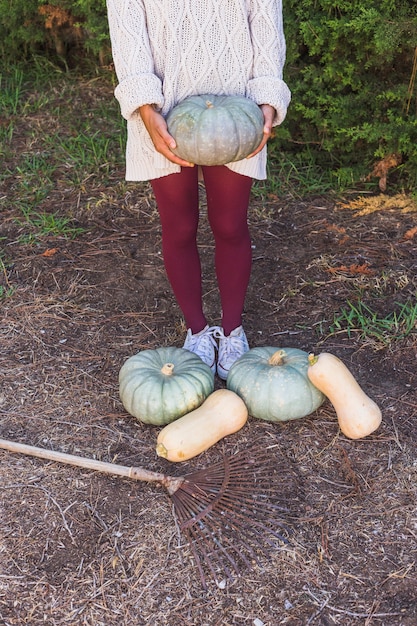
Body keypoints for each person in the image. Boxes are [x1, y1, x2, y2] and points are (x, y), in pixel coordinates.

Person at [106, 0, 291, 379]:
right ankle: (196, 330)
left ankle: (232, 329)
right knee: (179, 227)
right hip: (164, 106)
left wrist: (269, 96)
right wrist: (144, 105)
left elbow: (266, 28)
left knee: (230, 225)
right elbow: (129, 34)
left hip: (237, 108)